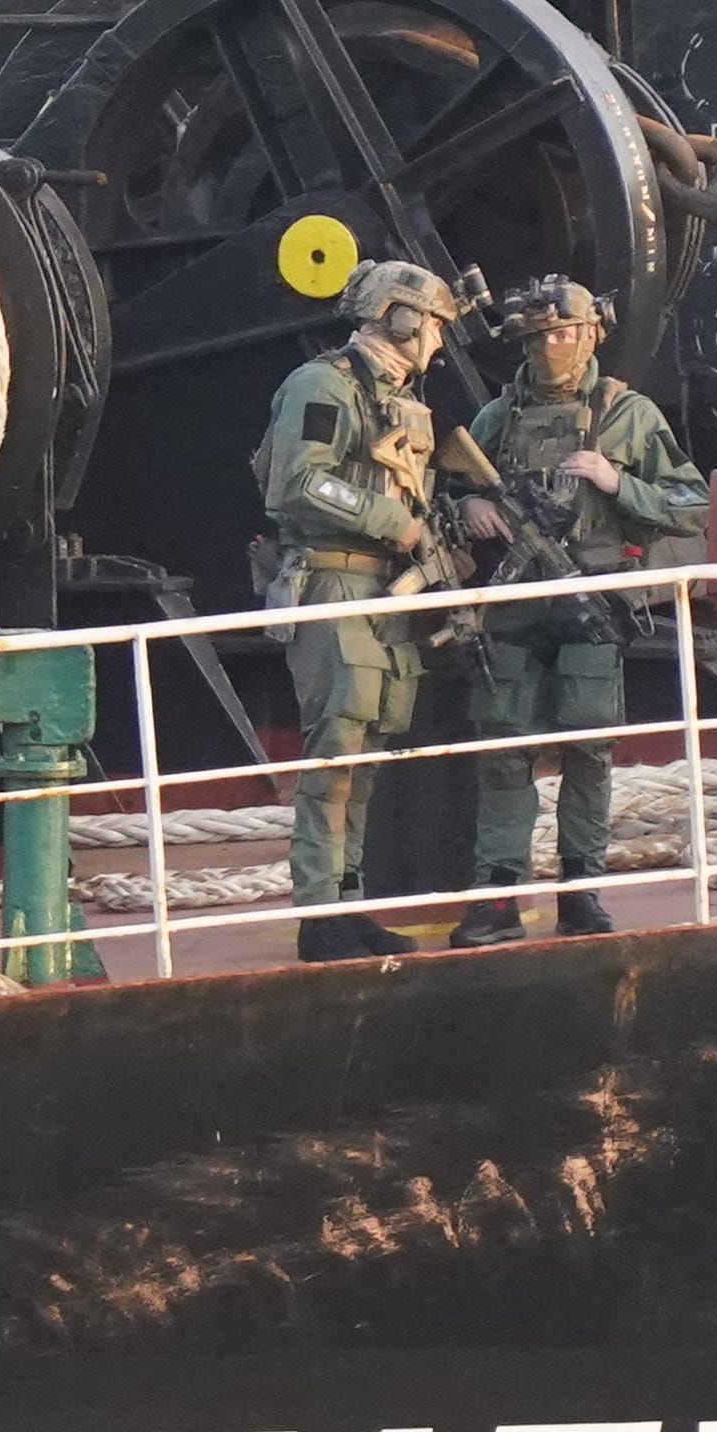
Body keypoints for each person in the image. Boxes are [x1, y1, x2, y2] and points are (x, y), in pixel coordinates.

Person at [455, 274, 709, 939]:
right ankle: (499, 894)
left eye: (566, 332)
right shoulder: (497, 417)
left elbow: (693, 505)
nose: (554, 346)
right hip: (514, 602)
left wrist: (617, 480)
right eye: (540, 337)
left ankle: (581, 890)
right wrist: (470, 505)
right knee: (505, 748)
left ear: (593, 333)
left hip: (591, 598)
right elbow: (443, 489)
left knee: (589, 750)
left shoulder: (628, 413)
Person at [252, 258, 481, 961]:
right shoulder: (324, 385)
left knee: (370, 755)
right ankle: (318, 916)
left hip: (382, 594)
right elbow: (296, 483)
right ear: (401, 318)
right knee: (337, 755)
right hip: (335, 585)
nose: (440, 343)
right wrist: (396, 523)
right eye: (435, 326)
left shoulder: (399, 399)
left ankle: (348, 905)